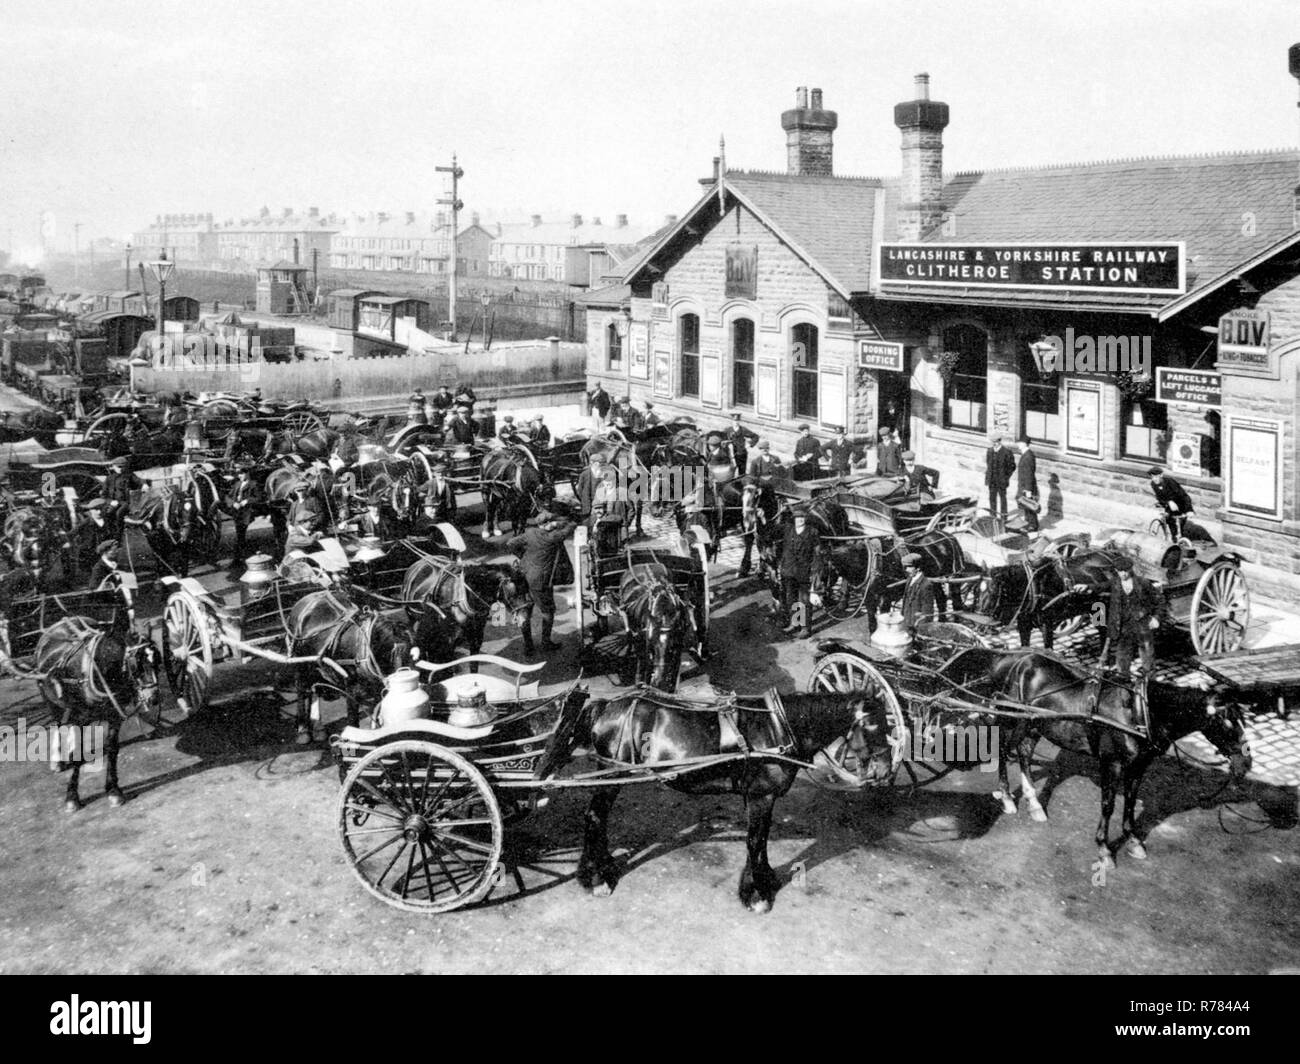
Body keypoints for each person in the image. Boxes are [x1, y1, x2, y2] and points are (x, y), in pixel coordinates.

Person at [508, 505, 577, 653]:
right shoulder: (553, 537)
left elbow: (511, 543)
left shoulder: (530, 533)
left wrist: (522, 556)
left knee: (525, 610)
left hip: (523, 574)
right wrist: (557, 523)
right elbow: (571, 525)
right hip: (540, 581)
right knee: (548, 610)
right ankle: (546, 642)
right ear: (548, 524)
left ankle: (528, 645)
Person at [1106, 555, 1163, 676]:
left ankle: (1150, 678)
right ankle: (1123, 677)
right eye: (1120, 571)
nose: (1124, 574)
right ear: (1116, 571)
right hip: (1123, 625)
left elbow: (1159, 600)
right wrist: (1086, 587)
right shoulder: (1114, 583)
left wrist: (1156, 618)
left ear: (1130, 569)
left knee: (1147, 651)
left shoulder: (1143, 583)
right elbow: (1099, 586)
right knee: (1122, 653)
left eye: (1126, 571)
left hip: (1142, 622)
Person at [778, 509, 820, 638]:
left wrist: (815, 571)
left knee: (804, 601)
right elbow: (770, 532)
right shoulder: (788, 530)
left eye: (802, 517)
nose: (800, 519)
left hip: (804, 571)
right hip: (789, 570)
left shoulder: (812, 532)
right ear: (793, 519)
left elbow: (817, 553)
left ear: (805, 519)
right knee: (791, 599)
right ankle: (795, 623)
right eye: (797, 517)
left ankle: (805, 628)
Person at [226, 467, 261, 565]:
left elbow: (258, 498)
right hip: (237, 511)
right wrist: (233, 503)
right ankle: (239, 557)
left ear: (247, 474)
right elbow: (228, 496)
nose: (239, 476)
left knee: (240, 533)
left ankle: (239, 558)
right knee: (240, 534)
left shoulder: (253, 484)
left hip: (246, 512)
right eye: (238, 474)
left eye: (241, 474)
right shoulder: (237, 484)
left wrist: (247, 501)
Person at [1149, 466, 1194, 539]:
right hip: (1168, 505)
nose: (1154, 479)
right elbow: (1159, 497)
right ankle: (1171, 537)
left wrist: (1189, 510)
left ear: (1161, 475)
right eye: (1152, 477)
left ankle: (1180, 539)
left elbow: (1183, 496)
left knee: (1180, 526)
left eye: (1156, 477)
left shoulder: (1170, 482)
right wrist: (1169, 502)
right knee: (1169, 522)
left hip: (1180, 504)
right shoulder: (1153, 484)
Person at [74, 498, 113, 583]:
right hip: (89, 551)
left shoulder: (107, 522)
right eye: (96, 510)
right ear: (90, 511)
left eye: (101, 509)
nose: (99, 512)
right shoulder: (86, 522)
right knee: (92, 573)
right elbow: (74, 532)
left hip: (104, 552)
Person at [101, 457, 138, 539]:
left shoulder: (129, 476)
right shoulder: (109, 479)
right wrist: (110, 501)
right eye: (119, 467)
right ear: (113, 467)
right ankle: (109, 535)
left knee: (119, 513)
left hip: (126, 503)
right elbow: (104, 495)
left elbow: (139, 481)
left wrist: (144, 484)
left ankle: (118, 536)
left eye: (123, 467)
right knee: (105, 513)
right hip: (113, 502)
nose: (121, 469)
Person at [898, 553, 936, 633]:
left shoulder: (926, 585)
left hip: (917, 626)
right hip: (907, 622)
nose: (906, 570)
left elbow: (927, 611)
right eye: (905, 567)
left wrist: (922, 628)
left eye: (909, 567)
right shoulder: (909, 580)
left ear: (918, 568)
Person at [984, 435, 1016, 518]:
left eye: (996, 442)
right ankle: (992, 515)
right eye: (993, 442)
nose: (994, 444)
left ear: (999, 441)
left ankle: (1003, 517)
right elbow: (989, 465)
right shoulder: (989, 451)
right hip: (992, 480)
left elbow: (1012, 466)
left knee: (1003, 498)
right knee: (992, 498)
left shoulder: (1006, 452)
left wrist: (1006, 477)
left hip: (1002, 480)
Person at [1016, 436, 1040, 533]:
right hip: (1024, 486)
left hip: (1027, 487)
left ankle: (1033, 526)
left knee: (1029, 505)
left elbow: (1029, 473)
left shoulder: (1028, 456)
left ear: (1024, 444)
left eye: (1019, 443)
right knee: (1026, 506)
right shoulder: (1025, 454)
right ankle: (1028, 523)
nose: (1018, 445)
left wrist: (1028, 490)